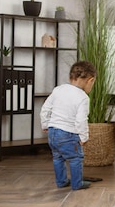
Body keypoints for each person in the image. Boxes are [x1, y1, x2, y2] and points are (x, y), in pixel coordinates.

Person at [40, 61, 96, 190]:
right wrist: (84, 137)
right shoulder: (83, 97)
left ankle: (61, 181)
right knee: (76, 158)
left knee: (57, 157)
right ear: (90, 80)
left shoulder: (58, 90)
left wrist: (45, 124)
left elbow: (45, 109)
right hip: (68, 134)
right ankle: (77, 184)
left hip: (52, 133)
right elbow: (81, 120)